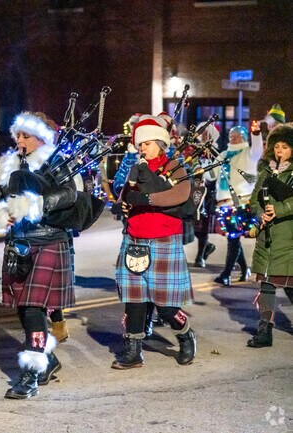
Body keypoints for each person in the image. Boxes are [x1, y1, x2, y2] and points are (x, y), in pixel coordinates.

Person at [0, 111, 80, 399]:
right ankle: (48, 361)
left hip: (48, 239)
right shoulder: (9, 166)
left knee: (32, 308)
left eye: (26, 136)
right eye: (18, 136)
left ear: (41, 138)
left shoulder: (55, 162)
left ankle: (31, 374)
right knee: (25, 310)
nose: (20, 141)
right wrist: (2, 213)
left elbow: (71, 193)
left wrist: (37, 204)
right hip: (20, 245)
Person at [112, 114, 196, 369]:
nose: (142, 148)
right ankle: (133, 351)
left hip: (163, 240)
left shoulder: (173, 166)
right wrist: (124, 204)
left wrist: (148, 200)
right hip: (135, 240)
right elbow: (124, 194)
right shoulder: (136, 168)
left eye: (146, 144)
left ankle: (185, 334)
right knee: (135, 300)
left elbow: (182, 193)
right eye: (140, 145)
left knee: (167, 306)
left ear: (159, 143)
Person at [246, 124, 293, 348]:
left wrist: (280, 209)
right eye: (276, 146)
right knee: (266, 285)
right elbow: (254, 201)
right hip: (267, 238)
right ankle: (265, 331)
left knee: (291, 285)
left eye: (284, 146)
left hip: (288, 238)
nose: (279, 151)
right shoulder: (265, 172)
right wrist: (260, 214)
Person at [209, 125, 263, 286]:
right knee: (233, 238)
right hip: (224, 204)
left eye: (236, 136)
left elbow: (258, 149)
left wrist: (256, 133)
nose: (232, 139)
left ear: (244, 138)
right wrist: (203, 165)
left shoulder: (248, 153)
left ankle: (226, 274)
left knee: (233, 238)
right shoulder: (223, 155)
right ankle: (245, 269)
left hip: (240, 203)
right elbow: (211, 175)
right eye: (231, 136)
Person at [192, 122, 219, 268]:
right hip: (195, 190)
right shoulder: (195, 150)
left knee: (203, 226)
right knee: (191, 224)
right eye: (202, 133)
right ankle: (207, 246)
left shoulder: (215, 151)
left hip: (208, 193)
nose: (203, 136)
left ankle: (200, 256)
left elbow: (216, 173)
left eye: (207, 133)